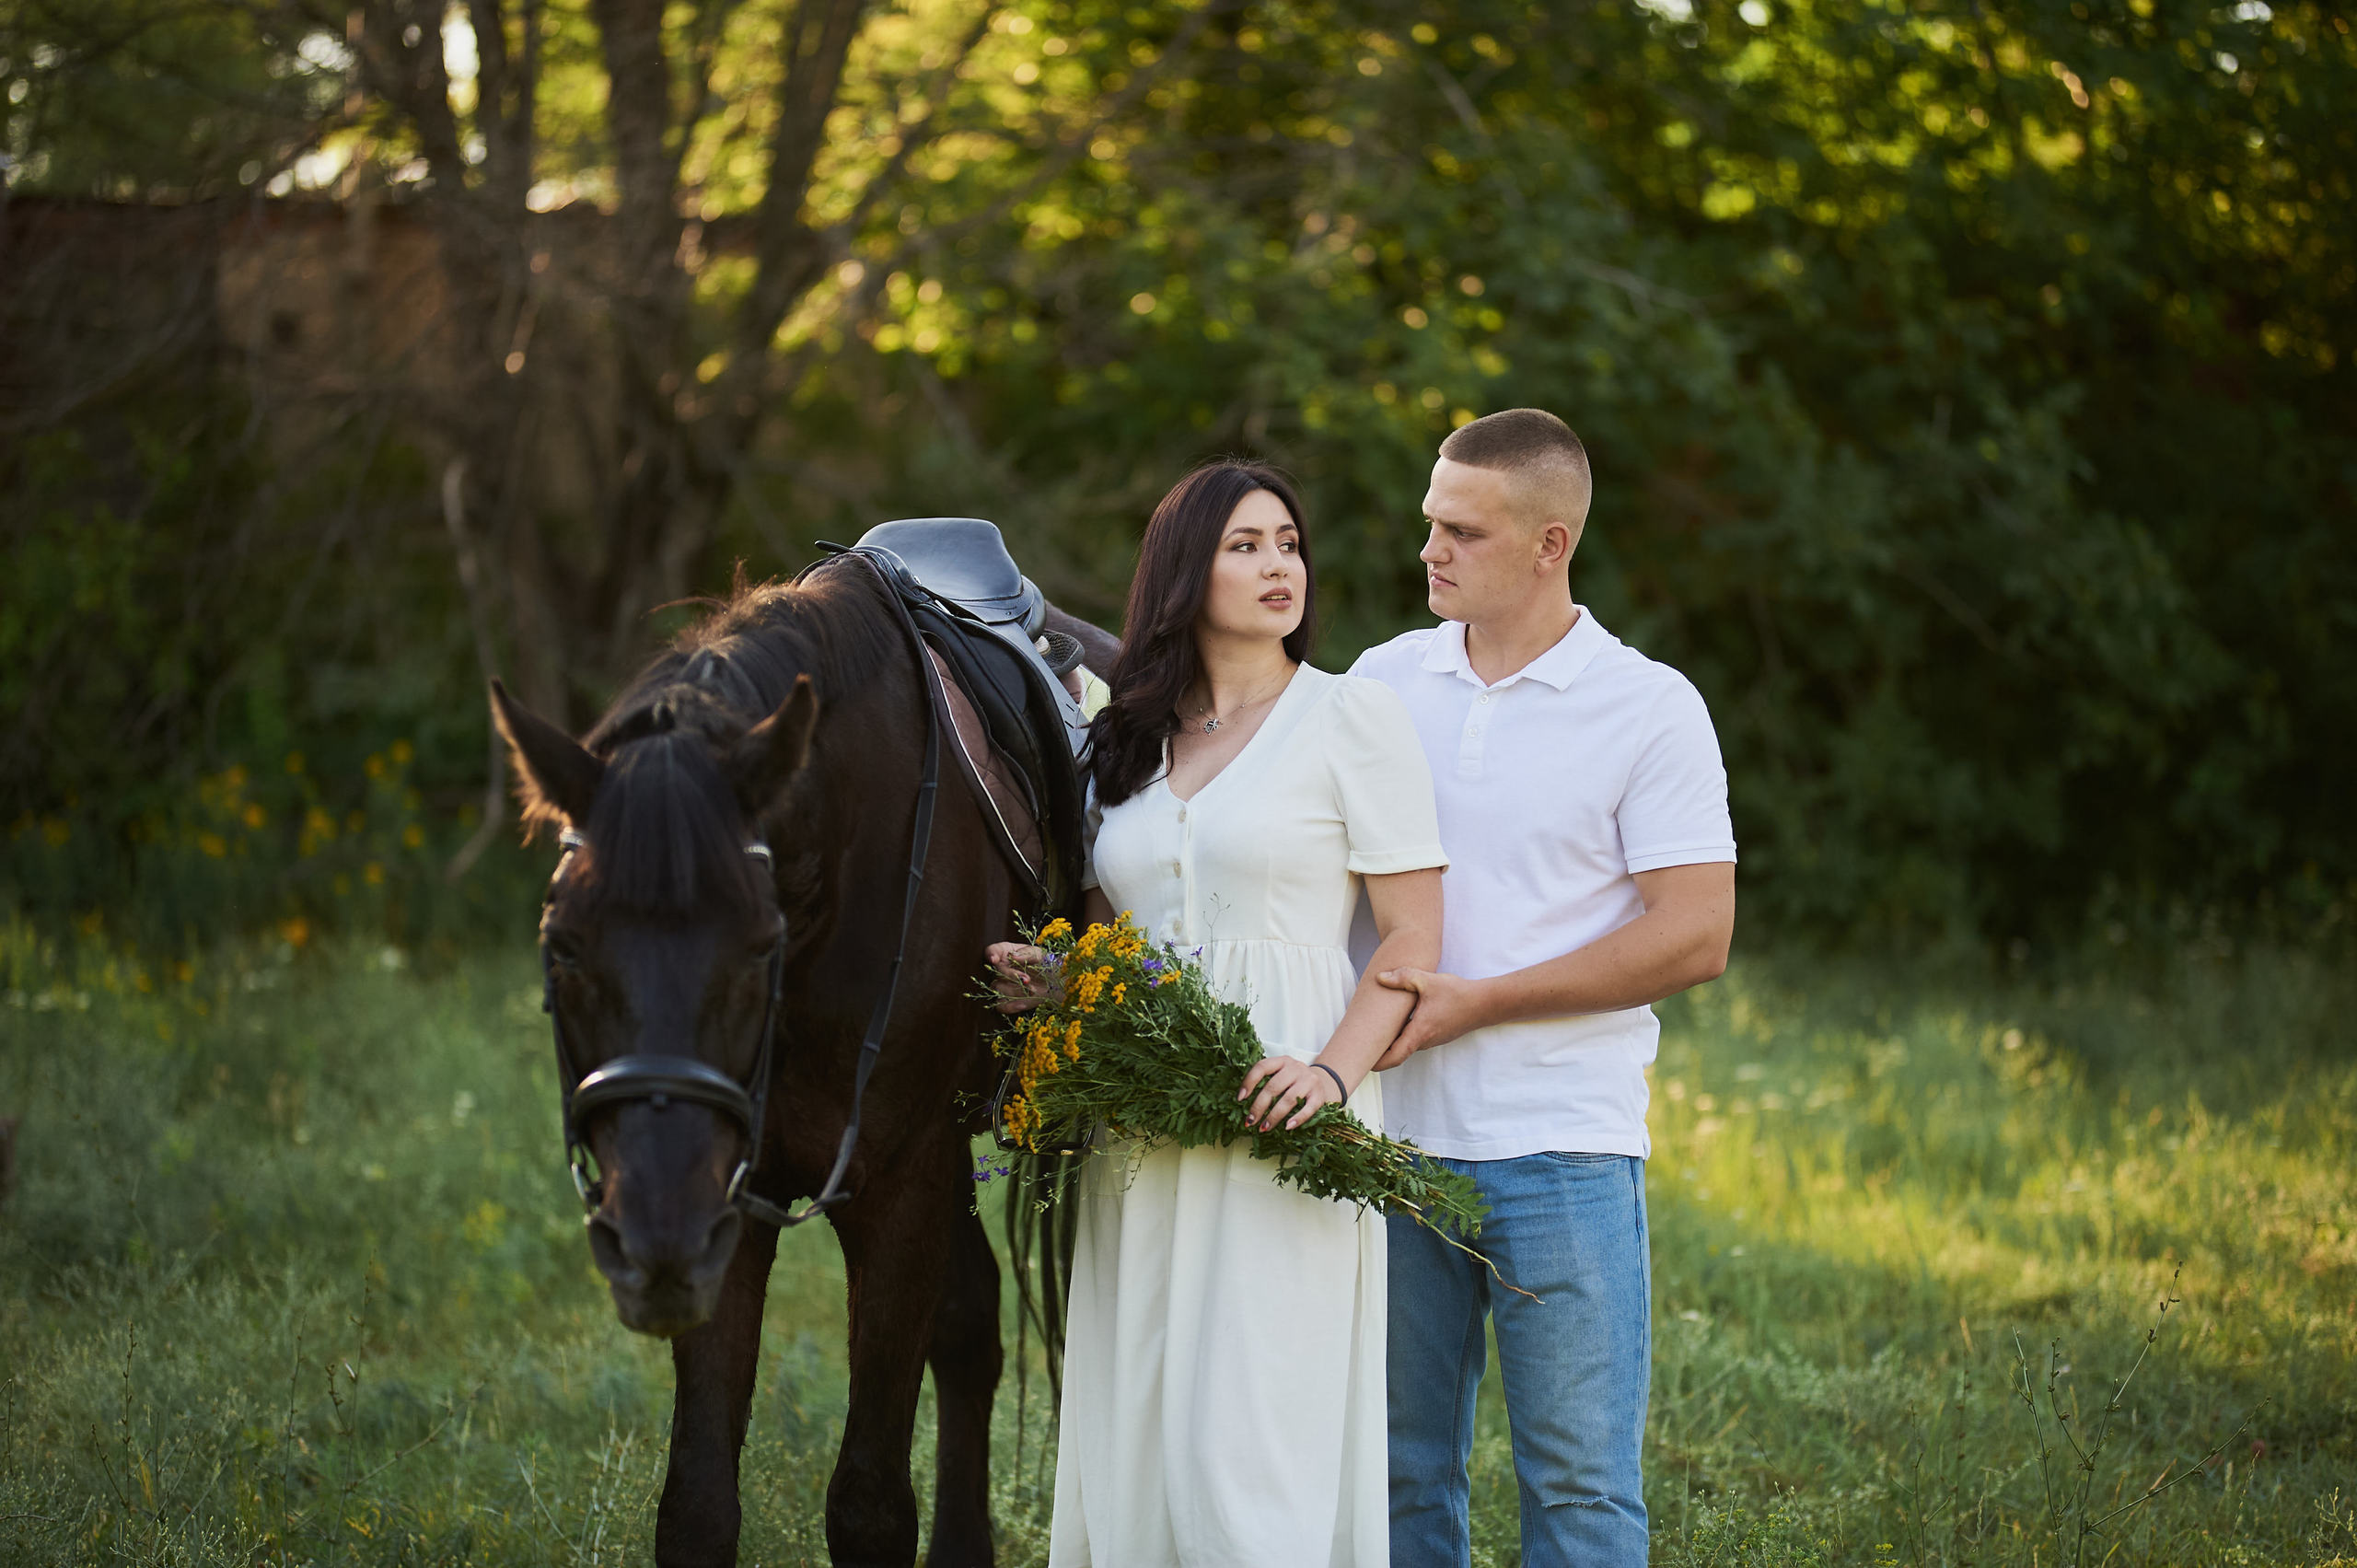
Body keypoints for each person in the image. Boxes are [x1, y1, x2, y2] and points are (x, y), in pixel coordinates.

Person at [987, 460, 1447, 1567]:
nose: (1277, 564)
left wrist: (1331, 1072)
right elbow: (1112, 943)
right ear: (1184, 570)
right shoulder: (1119, 744)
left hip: (1283, 1108)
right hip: (1141, 1132)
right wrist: (1058, 983)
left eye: (1287, 542)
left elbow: (1415, 937)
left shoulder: (1351, 717)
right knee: (1141, 1406)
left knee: (1253, 1431)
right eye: (1244, 545)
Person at [1351, 410, 1737, 1568]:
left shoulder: (1648, 705)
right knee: (1392, 1474)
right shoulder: (1377, 684)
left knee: (1576, 1488)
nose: (1430, 549)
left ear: (1548, 543)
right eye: (1429, 522)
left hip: (1560, 1146)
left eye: (1461, 531)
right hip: (1386, 1144)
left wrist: (1480, 1000)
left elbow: (1693, 934)